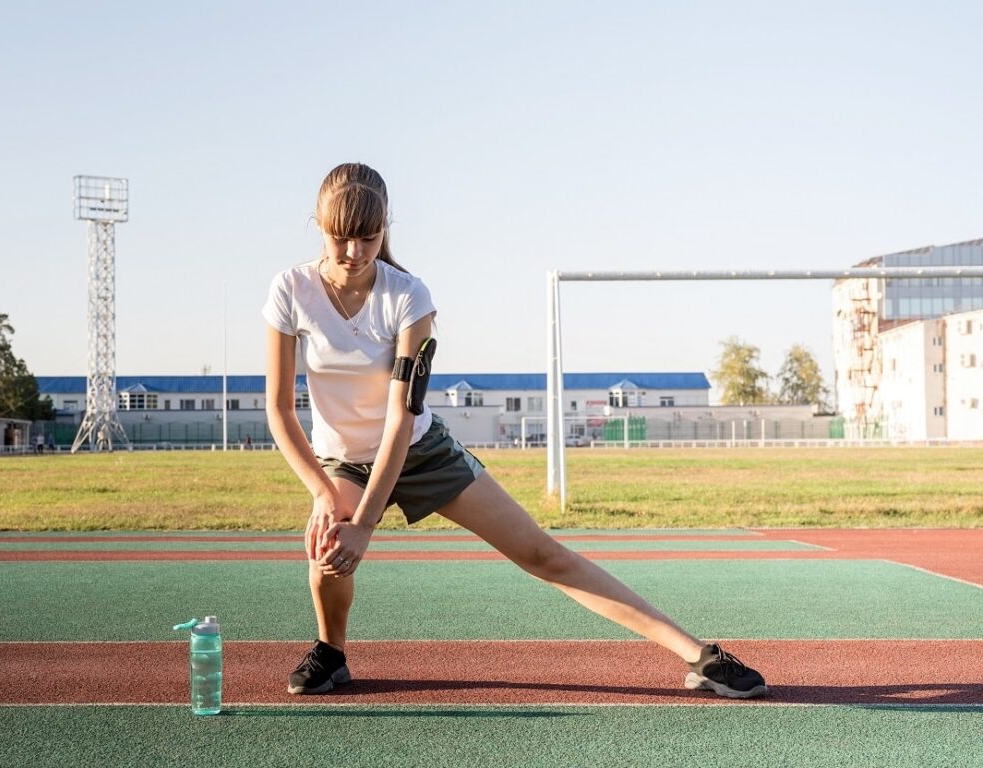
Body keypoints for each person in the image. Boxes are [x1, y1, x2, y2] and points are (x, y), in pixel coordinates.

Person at [262, 163, 767, 700]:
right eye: (340, 237)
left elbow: (399, 418)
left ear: (386, 229)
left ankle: (701, 656)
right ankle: (332, 651)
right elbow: (278, 407)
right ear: (317, 224)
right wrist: (324, 492)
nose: (355, 252)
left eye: (369, 237)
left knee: (543, 555)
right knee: (326, 546)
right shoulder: (290, 290)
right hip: (342, 460)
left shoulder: (409, 296)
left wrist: (365, 523)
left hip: (418, 449)